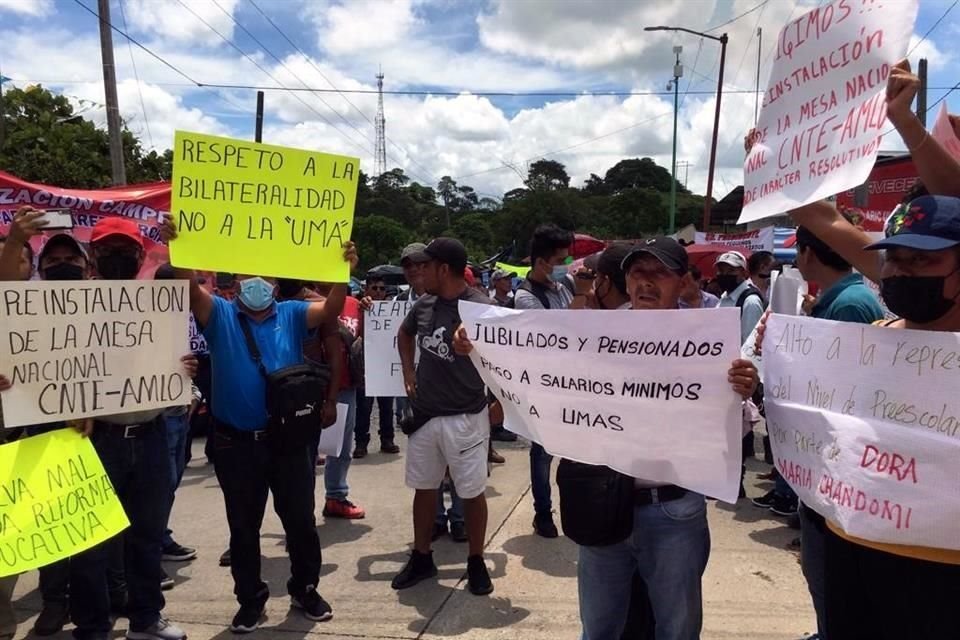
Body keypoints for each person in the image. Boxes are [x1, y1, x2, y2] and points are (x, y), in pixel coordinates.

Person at [159, 217, 356, 633]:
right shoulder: (220, 315)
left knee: (300, 521)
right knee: (243, 528)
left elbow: (333, 309)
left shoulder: (292, 311)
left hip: (289, 441)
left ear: (275, 280)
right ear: (235, 279)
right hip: (237, 445)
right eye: (249, 274)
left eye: (264, 274)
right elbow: (188, 287)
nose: (257, 281)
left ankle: (305, 589)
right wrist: (179, 249)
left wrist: (343, 272)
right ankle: (250, 599)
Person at [577, 237, 758, 640]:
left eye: (659, 272)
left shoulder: (707, 344)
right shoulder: (591, 335)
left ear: (683, 282)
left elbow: (738, 428)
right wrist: (478, 346)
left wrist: (742, 389)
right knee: (599, 627)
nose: (646, 282)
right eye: (638, 272)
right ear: (625, 279)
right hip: (602, 505)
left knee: (677, 628)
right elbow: (535, 370)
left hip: (673, 510)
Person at [391, 238, 494, 595]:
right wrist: (407, 372)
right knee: (424, 487)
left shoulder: (481, 308)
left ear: (444, 269)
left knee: (471, 492)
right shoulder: (423, 304)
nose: (419, 271)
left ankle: (476, 560)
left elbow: (504, 354)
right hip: (425, 415)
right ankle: (422, 557)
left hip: (465, 416)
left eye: (426, 265)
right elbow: (403, 336)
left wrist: (475, 346)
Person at [513, 224, 590, 538]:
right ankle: (542, 512)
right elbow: (553, 338)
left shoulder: (566, 287)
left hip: (574, 384)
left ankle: (577, 508)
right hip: (543, 389)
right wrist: (582, 297)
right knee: (542, 455)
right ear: (541, 262)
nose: (565, 267)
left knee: (577, 453)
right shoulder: (524, 297)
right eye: (560, 260)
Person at [354, 275, 398, 458]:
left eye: (382, 288)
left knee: (387, 406)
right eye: (375, 288)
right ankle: (361, 443)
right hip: (366, 364)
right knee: (363, 407)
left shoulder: (393, 309)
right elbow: (358, 332)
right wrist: (364, 310)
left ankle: (387, 439)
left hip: (385, 363)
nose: (379, 292)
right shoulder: (360, 307)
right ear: (367, 290)